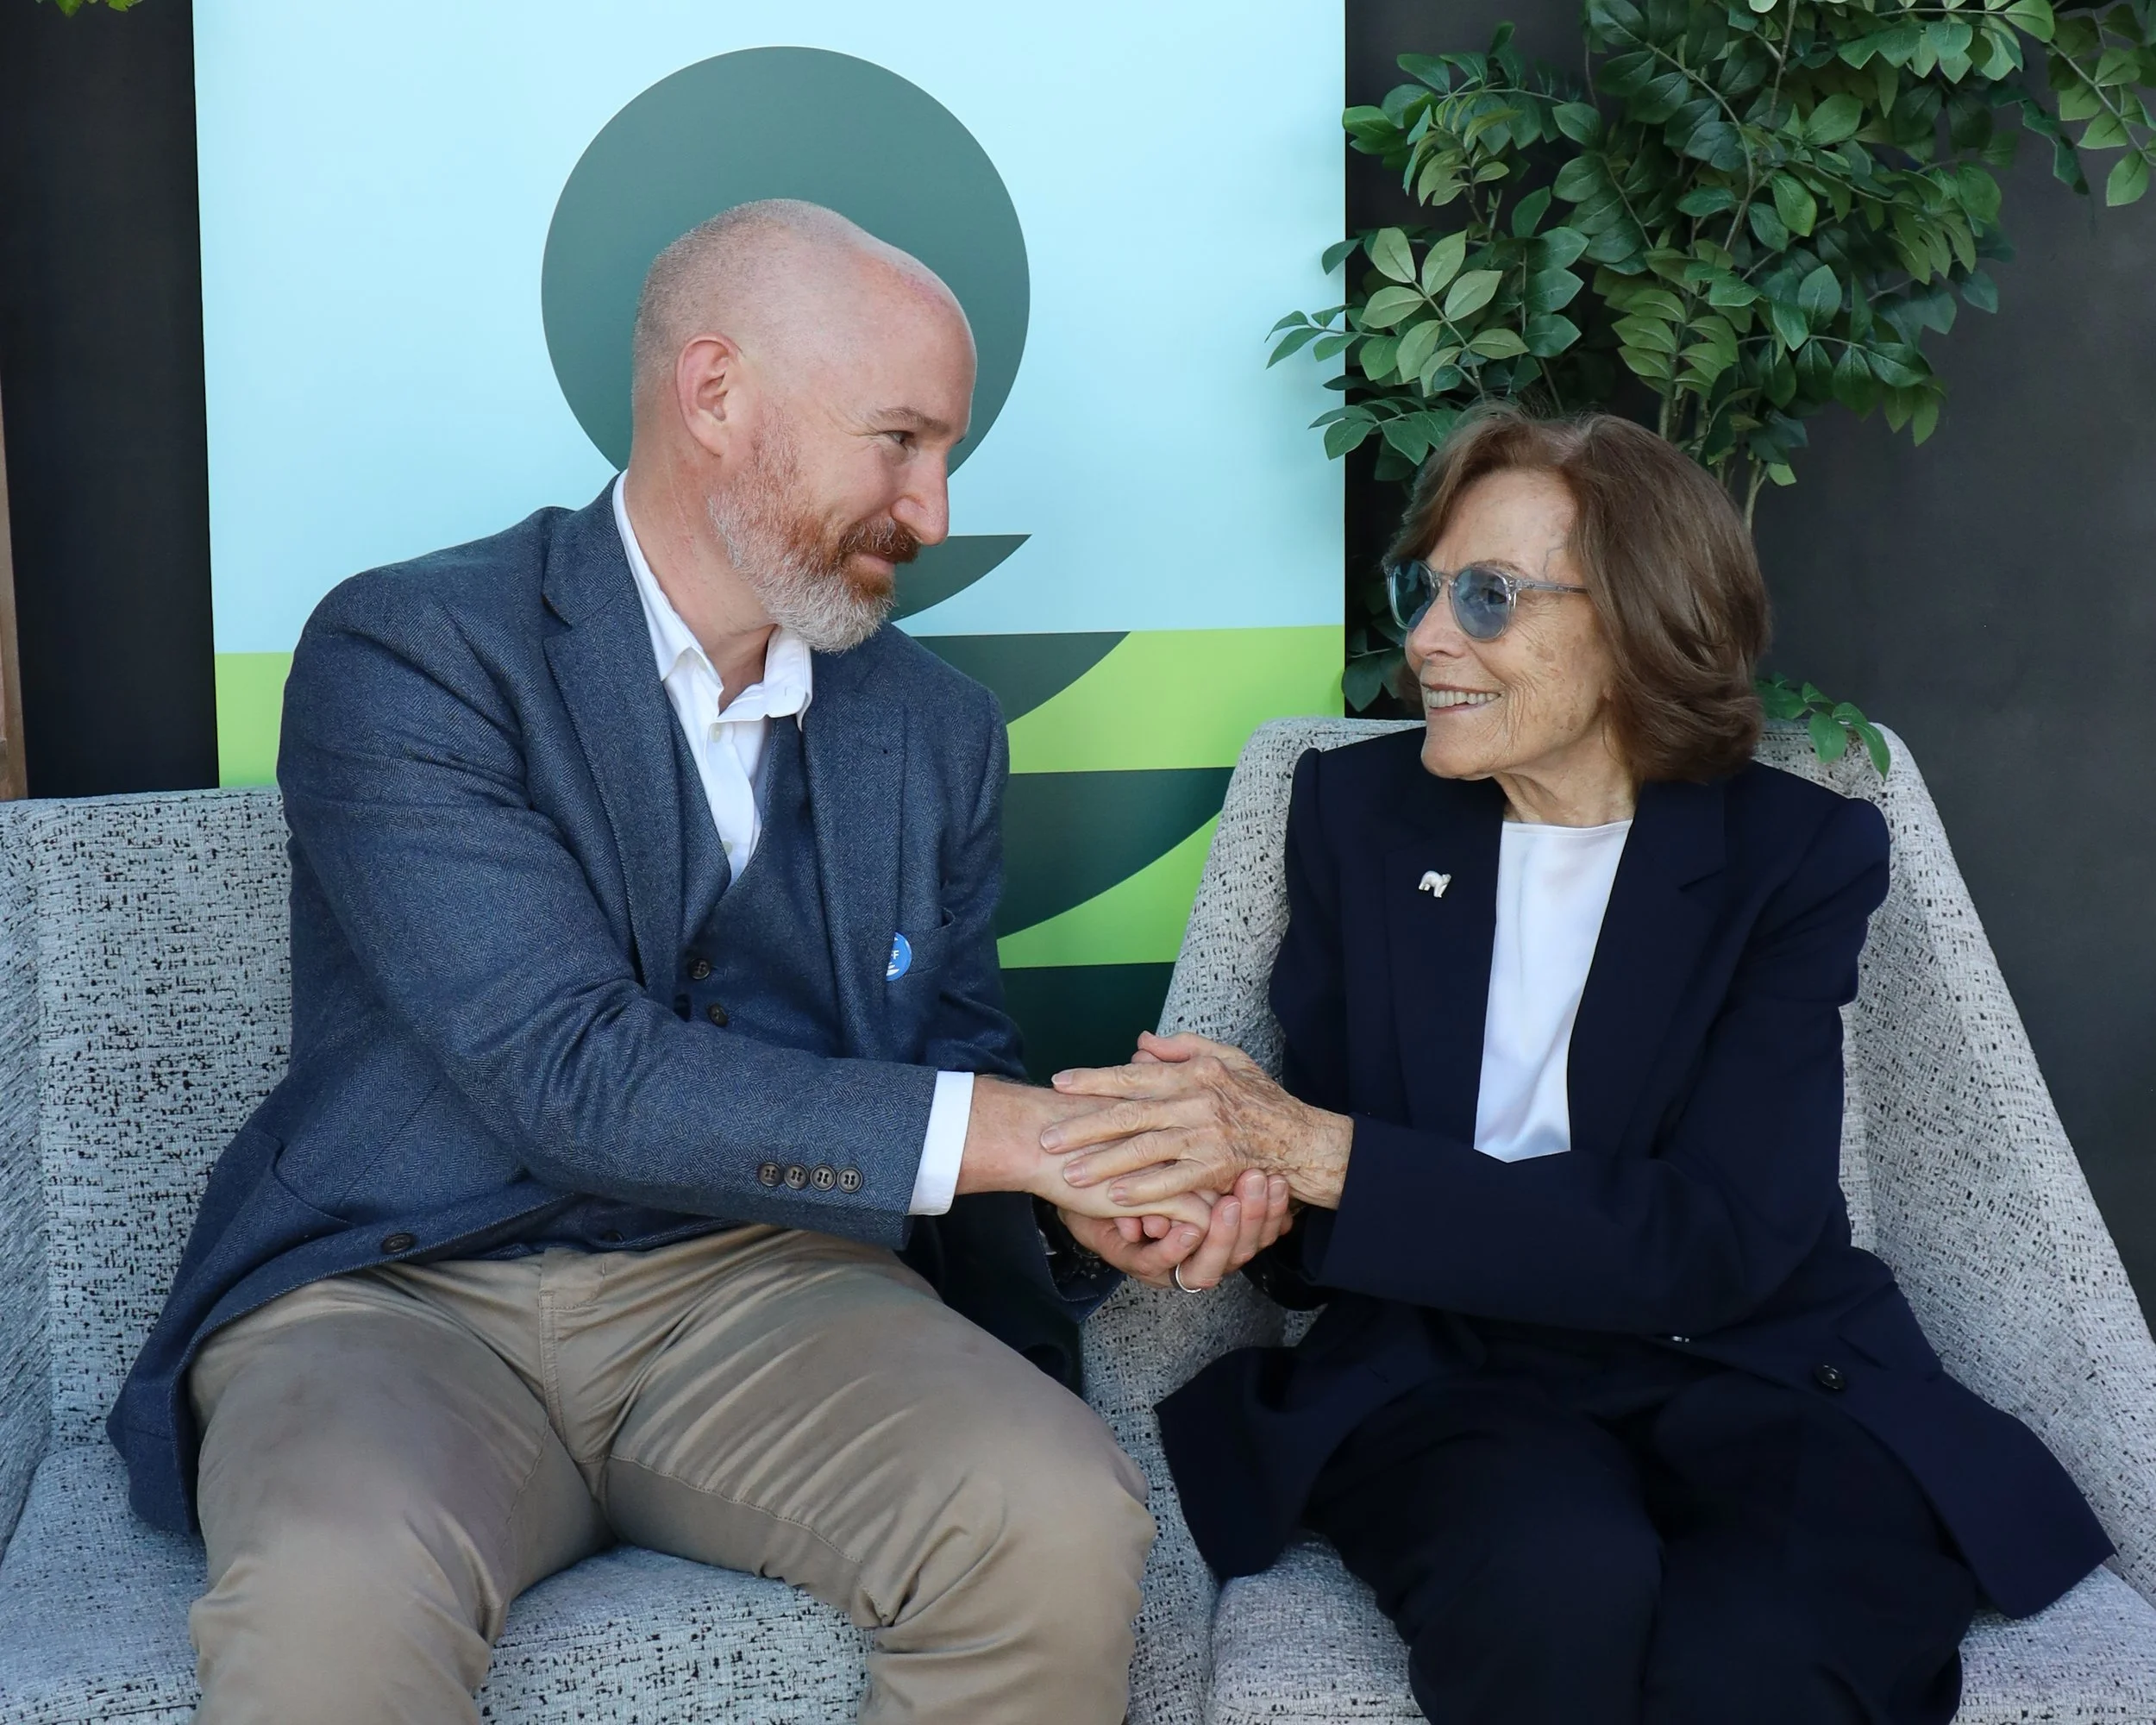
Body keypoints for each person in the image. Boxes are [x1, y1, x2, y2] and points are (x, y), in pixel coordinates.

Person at [108, 199, 1290, 1725]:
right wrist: (1027, 1139)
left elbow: (956, 1067)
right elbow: (569, 1073)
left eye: (949, 458)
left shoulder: (935, 731)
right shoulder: (411, 651)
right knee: (334, 1584)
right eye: (901, 443)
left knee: (1056, 1520)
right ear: (717, 393)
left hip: (769, 1292)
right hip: (401, 1295)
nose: (931, 514)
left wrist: (1086, 1207)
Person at [1040, 406, 2112, 1724]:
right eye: (1421, 590)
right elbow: (1329, 1220)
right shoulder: (1358, 819)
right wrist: (1239, 1202)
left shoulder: (1796, 855)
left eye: (1486, 598)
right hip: (1451, 1372)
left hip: (1751, 1363)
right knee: (1554, 1589)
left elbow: (1717, 1235)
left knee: (1765, 1660)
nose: (1427, 640)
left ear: (1639, 619)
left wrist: (1313, 1155)